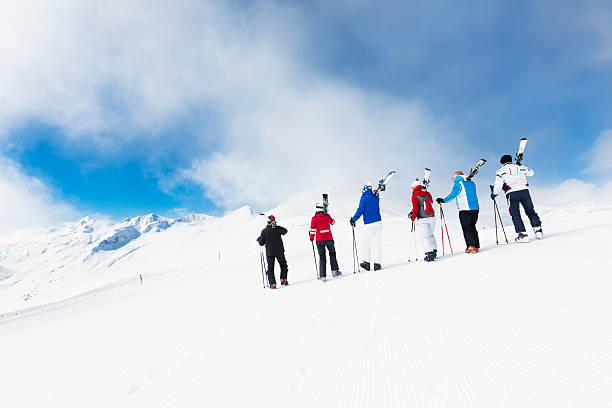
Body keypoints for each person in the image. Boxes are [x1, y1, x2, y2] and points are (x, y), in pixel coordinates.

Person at [491, 155, 543, 242]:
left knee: (515, 214)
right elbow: (531, 173)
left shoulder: (501, 171)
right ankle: (538, 230)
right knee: (530, 211)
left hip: (512, 193)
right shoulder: (519, 167)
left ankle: (523, 235)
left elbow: (498, 185)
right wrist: (521, 166)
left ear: (502, 163)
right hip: (524, 192)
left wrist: (494, 194)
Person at [436, 171, 480, 253]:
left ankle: (471, 246)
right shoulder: (472, 182)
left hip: (465, 209)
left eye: (453, 176)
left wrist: (443, 200)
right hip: (475, 209)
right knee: (472, 227)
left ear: (458, 176)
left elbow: (453, 194)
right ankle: (476, 246)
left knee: (467, 228)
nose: (452, 178)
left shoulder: (458, 183)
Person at [350, 182, 382, 270]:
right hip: (378, 223)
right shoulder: (376, 197)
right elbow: (376, 198)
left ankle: (366, 263)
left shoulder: (364, 198)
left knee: (367, 243)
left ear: (364, 189)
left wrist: (353, 219)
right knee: (377, 243)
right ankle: (377, 264)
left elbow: (360, 210)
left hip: (369, 224)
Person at [310, 203, 341, 281]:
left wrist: (311, 237)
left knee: (322, 257)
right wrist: (328, 215)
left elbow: (313, 230)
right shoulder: (327, 216)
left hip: (319, 240)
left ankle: (323, 276)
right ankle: (334, 271)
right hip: (329, 239)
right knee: (332, 254)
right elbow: (333, 222)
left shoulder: (314, 218)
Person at [256, 215, 289, 289]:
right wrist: (277, 226)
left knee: (270, 268)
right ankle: (283, 279)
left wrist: (259, 239)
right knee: (283, 265)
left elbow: (261, 243)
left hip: (270, 252)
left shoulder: (264, 231)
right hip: (280, 251)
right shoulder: (277, 229)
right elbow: (285, 231)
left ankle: (272, 284)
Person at [410, 179, 437, 262]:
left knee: (425, 236)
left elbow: (416, 208)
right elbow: (431, 202)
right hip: (432, 217)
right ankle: (434, 251)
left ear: (415, 187)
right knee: (431, 235)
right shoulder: (427, 193)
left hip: (422, 219)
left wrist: (412, 217)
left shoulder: (414, 195)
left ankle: (429, 254)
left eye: (412, 187)